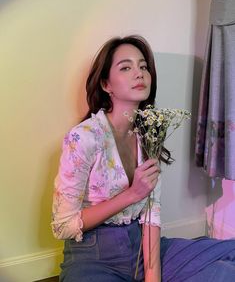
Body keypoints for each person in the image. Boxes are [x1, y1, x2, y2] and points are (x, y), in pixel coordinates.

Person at [51, 35, 235, 282]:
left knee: (226, 268)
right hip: (93, 254)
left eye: (143, 66)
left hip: (144, 247)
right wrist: (132, 194)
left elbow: (151, 214)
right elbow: (63, 226)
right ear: (106, 84)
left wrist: (152, 275)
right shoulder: (84, 138)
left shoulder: (150, 133)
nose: (139, 73)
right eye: (126, 67)